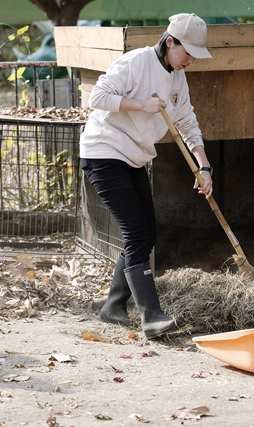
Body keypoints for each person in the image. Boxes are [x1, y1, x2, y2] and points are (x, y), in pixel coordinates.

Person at [80, 13, 214, 339]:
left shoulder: (177, 78)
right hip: (104, 152)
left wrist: (204, 166)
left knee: (147, 233)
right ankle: (151, 316)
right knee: (137, 233)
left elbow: (188, 124)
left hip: (133, 158)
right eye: (188, 53)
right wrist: (141, 105)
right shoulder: (136, 62)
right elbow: (96, 98)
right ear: (170, 41)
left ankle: (112, 306)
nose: (191, 61)